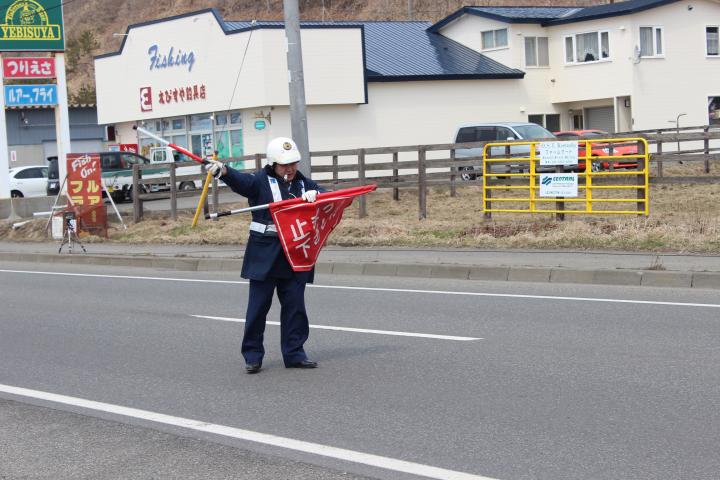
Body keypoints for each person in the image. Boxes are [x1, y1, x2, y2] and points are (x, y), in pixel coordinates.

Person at [207, 137, 326, 374]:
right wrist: (224, 172)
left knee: (295, 307)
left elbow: (329, 196)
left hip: (295, 256)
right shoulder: (260, 182)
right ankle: (252, 356)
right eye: (284, 165)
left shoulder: (304, 183)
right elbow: (242, 182)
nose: (290, 169)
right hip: (264, 255)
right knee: (258, 308)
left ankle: (294, 353)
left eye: (293, 163)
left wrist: (318, 195)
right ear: (273, 164)